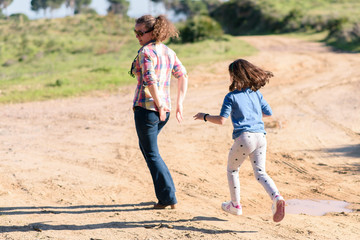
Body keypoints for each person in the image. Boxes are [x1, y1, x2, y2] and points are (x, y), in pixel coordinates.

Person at [193, 59, 285, 222]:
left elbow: (221, 120)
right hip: (261, 137)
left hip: (245, 137)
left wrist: (205, 117)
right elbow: (268, 113)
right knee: (261, 172)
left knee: (233, 170)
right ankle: (277, 197)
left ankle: (235, 205)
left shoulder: (231, 97)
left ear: (234, 76)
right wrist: (253, 116)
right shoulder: (256, 94)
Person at [130, 15, 188, 209]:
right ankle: (168, 195)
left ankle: (168, 198)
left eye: (140, 32)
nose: (137, 36)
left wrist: (160, 105)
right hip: (163, 111)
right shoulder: (168, 52)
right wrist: (177, 104)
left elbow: (150, 81)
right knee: (149, 151)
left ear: (152, 32)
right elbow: (183, 75)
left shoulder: (145, 52)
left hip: (148, 109)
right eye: (135, 32)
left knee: (151, 153)